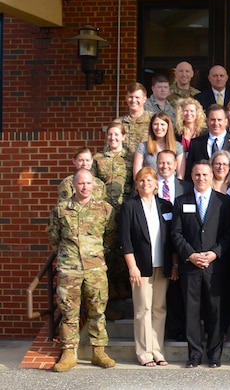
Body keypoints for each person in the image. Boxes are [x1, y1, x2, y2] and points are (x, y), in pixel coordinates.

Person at [49, 169, 117, 372]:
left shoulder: (105, 209)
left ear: (94, 185)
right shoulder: (61, 210)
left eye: (88, 183)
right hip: (70, 269)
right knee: (69, 311)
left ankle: (99, 351)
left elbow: (111, 236)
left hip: (95, 268)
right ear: (74, 185)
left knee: (97, 311)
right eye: (81, 183)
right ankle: (69, 352)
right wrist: (67, 257)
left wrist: (96, 255)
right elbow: (54, 237)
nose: (85, 187)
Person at [170, 161, 230, 368]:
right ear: (191, 176)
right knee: (192, 312)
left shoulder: (224, 202)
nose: (201, 178)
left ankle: (214, 355)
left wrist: (214, 254)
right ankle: (194, 355)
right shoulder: (181, 201)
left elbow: (228, 234)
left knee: (215, 312)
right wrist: (190, 255)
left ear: (211, 176)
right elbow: (176, 233)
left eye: (205, 175)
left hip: (215, 267)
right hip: (191, 266)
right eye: (197, 175)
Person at [119, 166, 178, 367]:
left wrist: (175, 264)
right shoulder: (129, 207)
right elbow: (125, 240)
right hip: (141, 267)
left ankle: (157, 350)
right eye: (142, 181)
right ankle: (144, 353)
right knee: (142, 309)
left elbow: (171, 239)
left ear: (156, 184)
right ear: (136, 185)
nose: (146, 184)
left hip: (163, 265)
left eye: (150, 181)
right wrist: (132, 267)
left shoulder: (165, 205)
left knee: (159, 308)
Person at [187, 104, 230, 175]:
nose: (216, 123)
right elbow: (189, 170)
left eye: (219, 120)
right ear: (207, 121)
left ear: (226, 121)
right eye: (213, 120)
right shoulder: (196, 143)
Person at [133, 112, 185, 180]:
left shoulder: (178, 147)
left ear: (168, 126)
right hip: (149, 187)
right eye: (155, 124)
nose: (159, 127)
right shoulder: (143, 147)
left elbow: (180, 176)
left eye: (162, 124)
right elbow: (137, 176)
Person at [94, 121, 133, 209]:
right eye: (110, 134)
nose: (112, 138)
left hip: (126, 205)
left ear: (123, 137)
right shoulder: (98, 158)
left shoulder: (131, 158)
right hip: (104, 206)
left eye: (116, 134)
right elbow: (92, 181)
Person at [119, 82, 152, 155]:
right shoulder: (118, 123)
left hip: (147, 164)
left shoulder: (153, 121)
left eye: (137, 97)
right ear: (126, 98)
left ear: (144, 99)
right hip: (124, 165)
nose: (133, 100)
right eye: (130, 97)